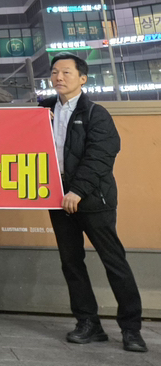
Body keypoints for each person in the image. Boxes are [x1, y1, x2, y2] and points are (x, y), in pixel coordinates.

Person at [41, 54, 146, 353]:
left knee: (114, 262)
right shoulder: (43, 110)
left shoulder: (95, 113)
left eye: (66, 72)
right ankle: (88, 323)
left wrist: (77, 190)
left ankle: (131, 329)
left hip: (92, 199)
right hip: (58, 198)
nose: (59, 77)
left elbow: (101, 154)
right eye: (55, 72)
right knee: (71, 262)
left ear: (82, 78)